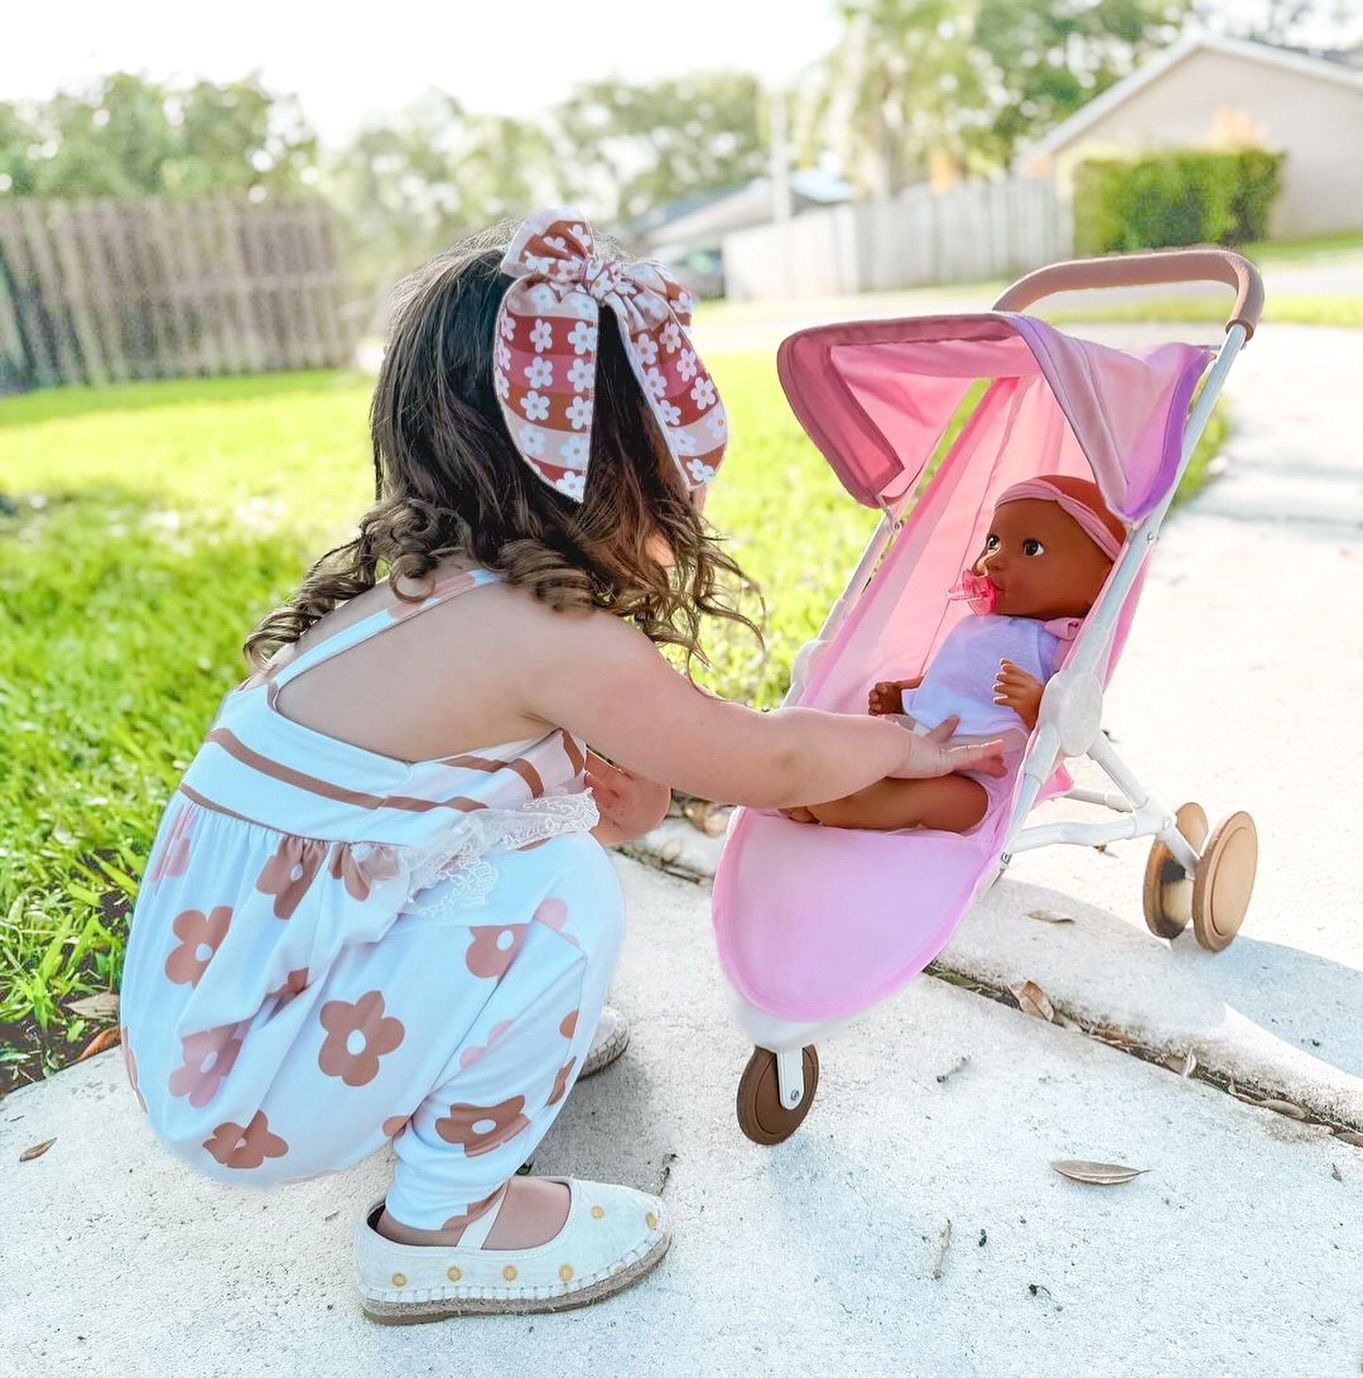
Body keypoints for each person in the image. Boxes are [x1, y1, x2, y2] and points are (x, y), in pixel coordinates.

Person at [117, 209, 1004, 1323]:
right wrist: (904, 742)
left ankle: (446, 1058)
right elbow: (765, 759)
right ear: (614, 463)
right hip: (254, 1085)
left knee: (552, 860)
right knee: (559, 902)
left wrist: (589, 805)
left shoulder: (410, 598)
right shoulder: (545, 637)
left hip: (229, 1037)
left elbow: (434, 832)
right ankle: (437, 1232)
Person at [783, 475, 1125, 833]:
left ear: (1099, 583)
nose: (993, 559)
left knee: (926, 797)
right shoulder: (977, 626)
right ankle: (826, 787)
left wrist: (1035, 703)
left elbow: (1067, 723)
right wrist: (903, 694)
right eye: (993, 542)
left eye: (1030, 549)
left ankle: (841, 805)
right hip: (917, 744)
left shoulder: (1062, 645)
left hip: (980, 780)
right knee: (866, 748)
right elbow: (950, 679)